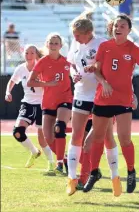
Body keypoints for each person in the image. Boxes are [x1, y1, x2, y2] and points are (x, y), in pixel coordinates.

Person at [84, 14, 139, 194]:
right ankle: (94, 173)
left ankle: (131, 171)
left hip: (123, 99)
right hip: (103, 98)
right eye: (117, 25)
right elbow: (97, 72)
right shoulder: (104, 46)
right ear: (112, 27)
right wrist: (104, 83)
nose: (119, 28)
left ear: (129, 30)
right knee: (98, 138)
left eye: (123, 25)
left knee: (124, 139)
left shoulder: (133, 48)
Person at [66, 18, 122, 197]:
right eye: (73, 35)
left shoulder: (102, 44)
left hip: (101, 96)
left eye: (78, 35)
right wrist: (74, 74)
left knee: (105, 138)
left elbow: (114, 70)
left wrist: (101, 76)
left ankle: (115, 178)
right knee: (76, 136)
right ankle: (72, 179)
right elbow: (72, 65)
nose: (75, 38)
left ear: (88, 32)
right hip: (81, 94)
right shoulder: (75, 43)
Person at [27, 33, 73, 175]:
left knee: (59, 127)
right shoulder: (42, 62)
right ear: (47, 45)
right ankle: (64, 158)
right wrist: (47, 84)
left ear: (61, 46)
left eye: (56, 43)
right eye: (51, 43)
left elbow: (78, 75)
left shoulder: (67, 62)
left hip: (65, 99)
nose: (53, 45)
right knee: (48, 136)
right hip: (48, 102)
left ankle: (59, 163)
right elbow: (30, 82)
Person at [5, 44, 54, 172]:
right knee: (17, 132)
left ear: (37, 54)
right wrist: (7, 92)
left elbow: (50, 83)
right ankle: (34, 152)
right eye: (27, 53)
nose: (29, 55)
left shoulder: (42, 67)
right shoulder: (21, 68)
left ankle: (51, 163)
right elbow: (12, 81)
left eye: (32, 53)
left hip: (42, 104)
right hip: (27, 103)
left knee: (42, 138)